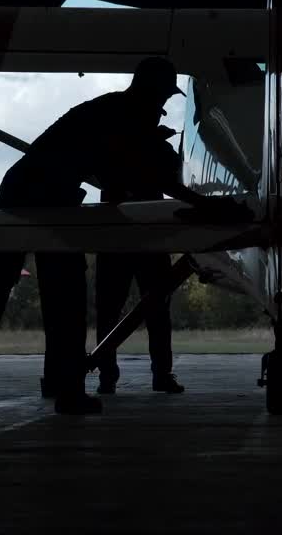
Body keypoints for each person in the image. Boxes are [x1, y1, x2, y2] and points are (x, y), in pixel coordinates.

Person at [0, 56, 244, 416]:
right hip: (44, 200)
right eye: (162, 98)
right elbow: (150, 177)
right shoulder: (127, 117)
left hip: (30, 194)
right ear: (153, 91)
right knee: (62, 295)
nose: (163, 107)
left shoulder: (113, 110)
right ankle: (65, 390)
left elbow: (126, 175)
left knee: (5, 290)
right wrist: (208, 207)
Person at [94, 124, 187, 395]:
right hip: (149, 240)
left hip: (116, 239)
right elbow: (175, 179)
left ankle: (107, 375)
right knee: (157, 311)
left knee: (109, 312)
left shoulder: (109, 145)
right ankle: (160, 374)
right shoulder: (155, 149)